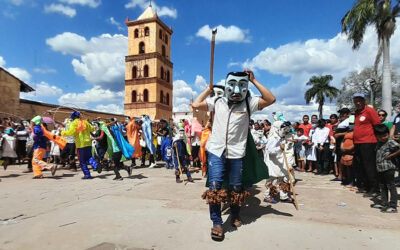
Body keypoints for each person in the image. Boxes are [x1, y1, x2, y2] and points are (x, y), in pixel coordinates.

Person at [192, 69, 275, 240]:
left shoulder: (249, 104)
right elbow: (195, 105)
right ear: (226, 85)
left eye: (242, 86)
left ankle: (235, 214)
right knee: (214, 188)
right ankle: (216, 223)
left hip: (237, 153)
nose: (236, 91)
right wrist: (208, 90)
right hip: (216, 151)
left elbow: (270, 99)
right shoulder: (218, 101)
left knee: (236, 187)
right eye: (232, 85)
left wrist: (254, 80)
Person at [352, 93, 381, 196]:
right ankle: (365, 186)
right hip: (358, 143)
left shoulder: (370, 111)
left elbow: (378, 125)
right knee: (361, 166)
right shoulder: (356, 113)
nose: (358, 103)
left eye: (360, 100)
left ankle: (375, 189)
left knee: (370, 166)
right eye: (355, 101)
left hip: (369, 142)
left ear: (364, 101)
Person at [263, 121, 295, 203]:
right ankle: (267, 196)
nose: (285, 132)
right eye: (284, 129)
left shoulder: (280, 138)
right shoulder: (272, 138)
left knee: (283, 178)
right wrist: (279, 149)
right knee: (271, 179)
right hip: (272, 162)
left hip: (280, 161)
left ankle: (283, 196)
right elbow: (270, 151)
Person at [370, 124, 399, 213]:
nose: (383, 138)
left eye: (385, 135)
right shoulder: (379, 143)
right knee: (382, 186)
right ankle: (384, 203)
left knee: (391, 186)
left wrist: (391, 156)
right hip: (380, 168)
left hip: (389, 168)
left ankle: (393, 205)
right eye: (380, 136)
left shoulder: (390, 141)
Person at [61, 111, 98, 179]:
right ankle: (96, 165)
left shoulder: (74, 123)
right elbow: (92, 129)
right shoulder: (85, 122)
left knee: (82, 161)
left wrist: (63, 132)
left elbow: (71, 132)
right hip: (88, 143)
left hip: (81, 144)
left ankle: (87, 175)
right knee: (89, 157)